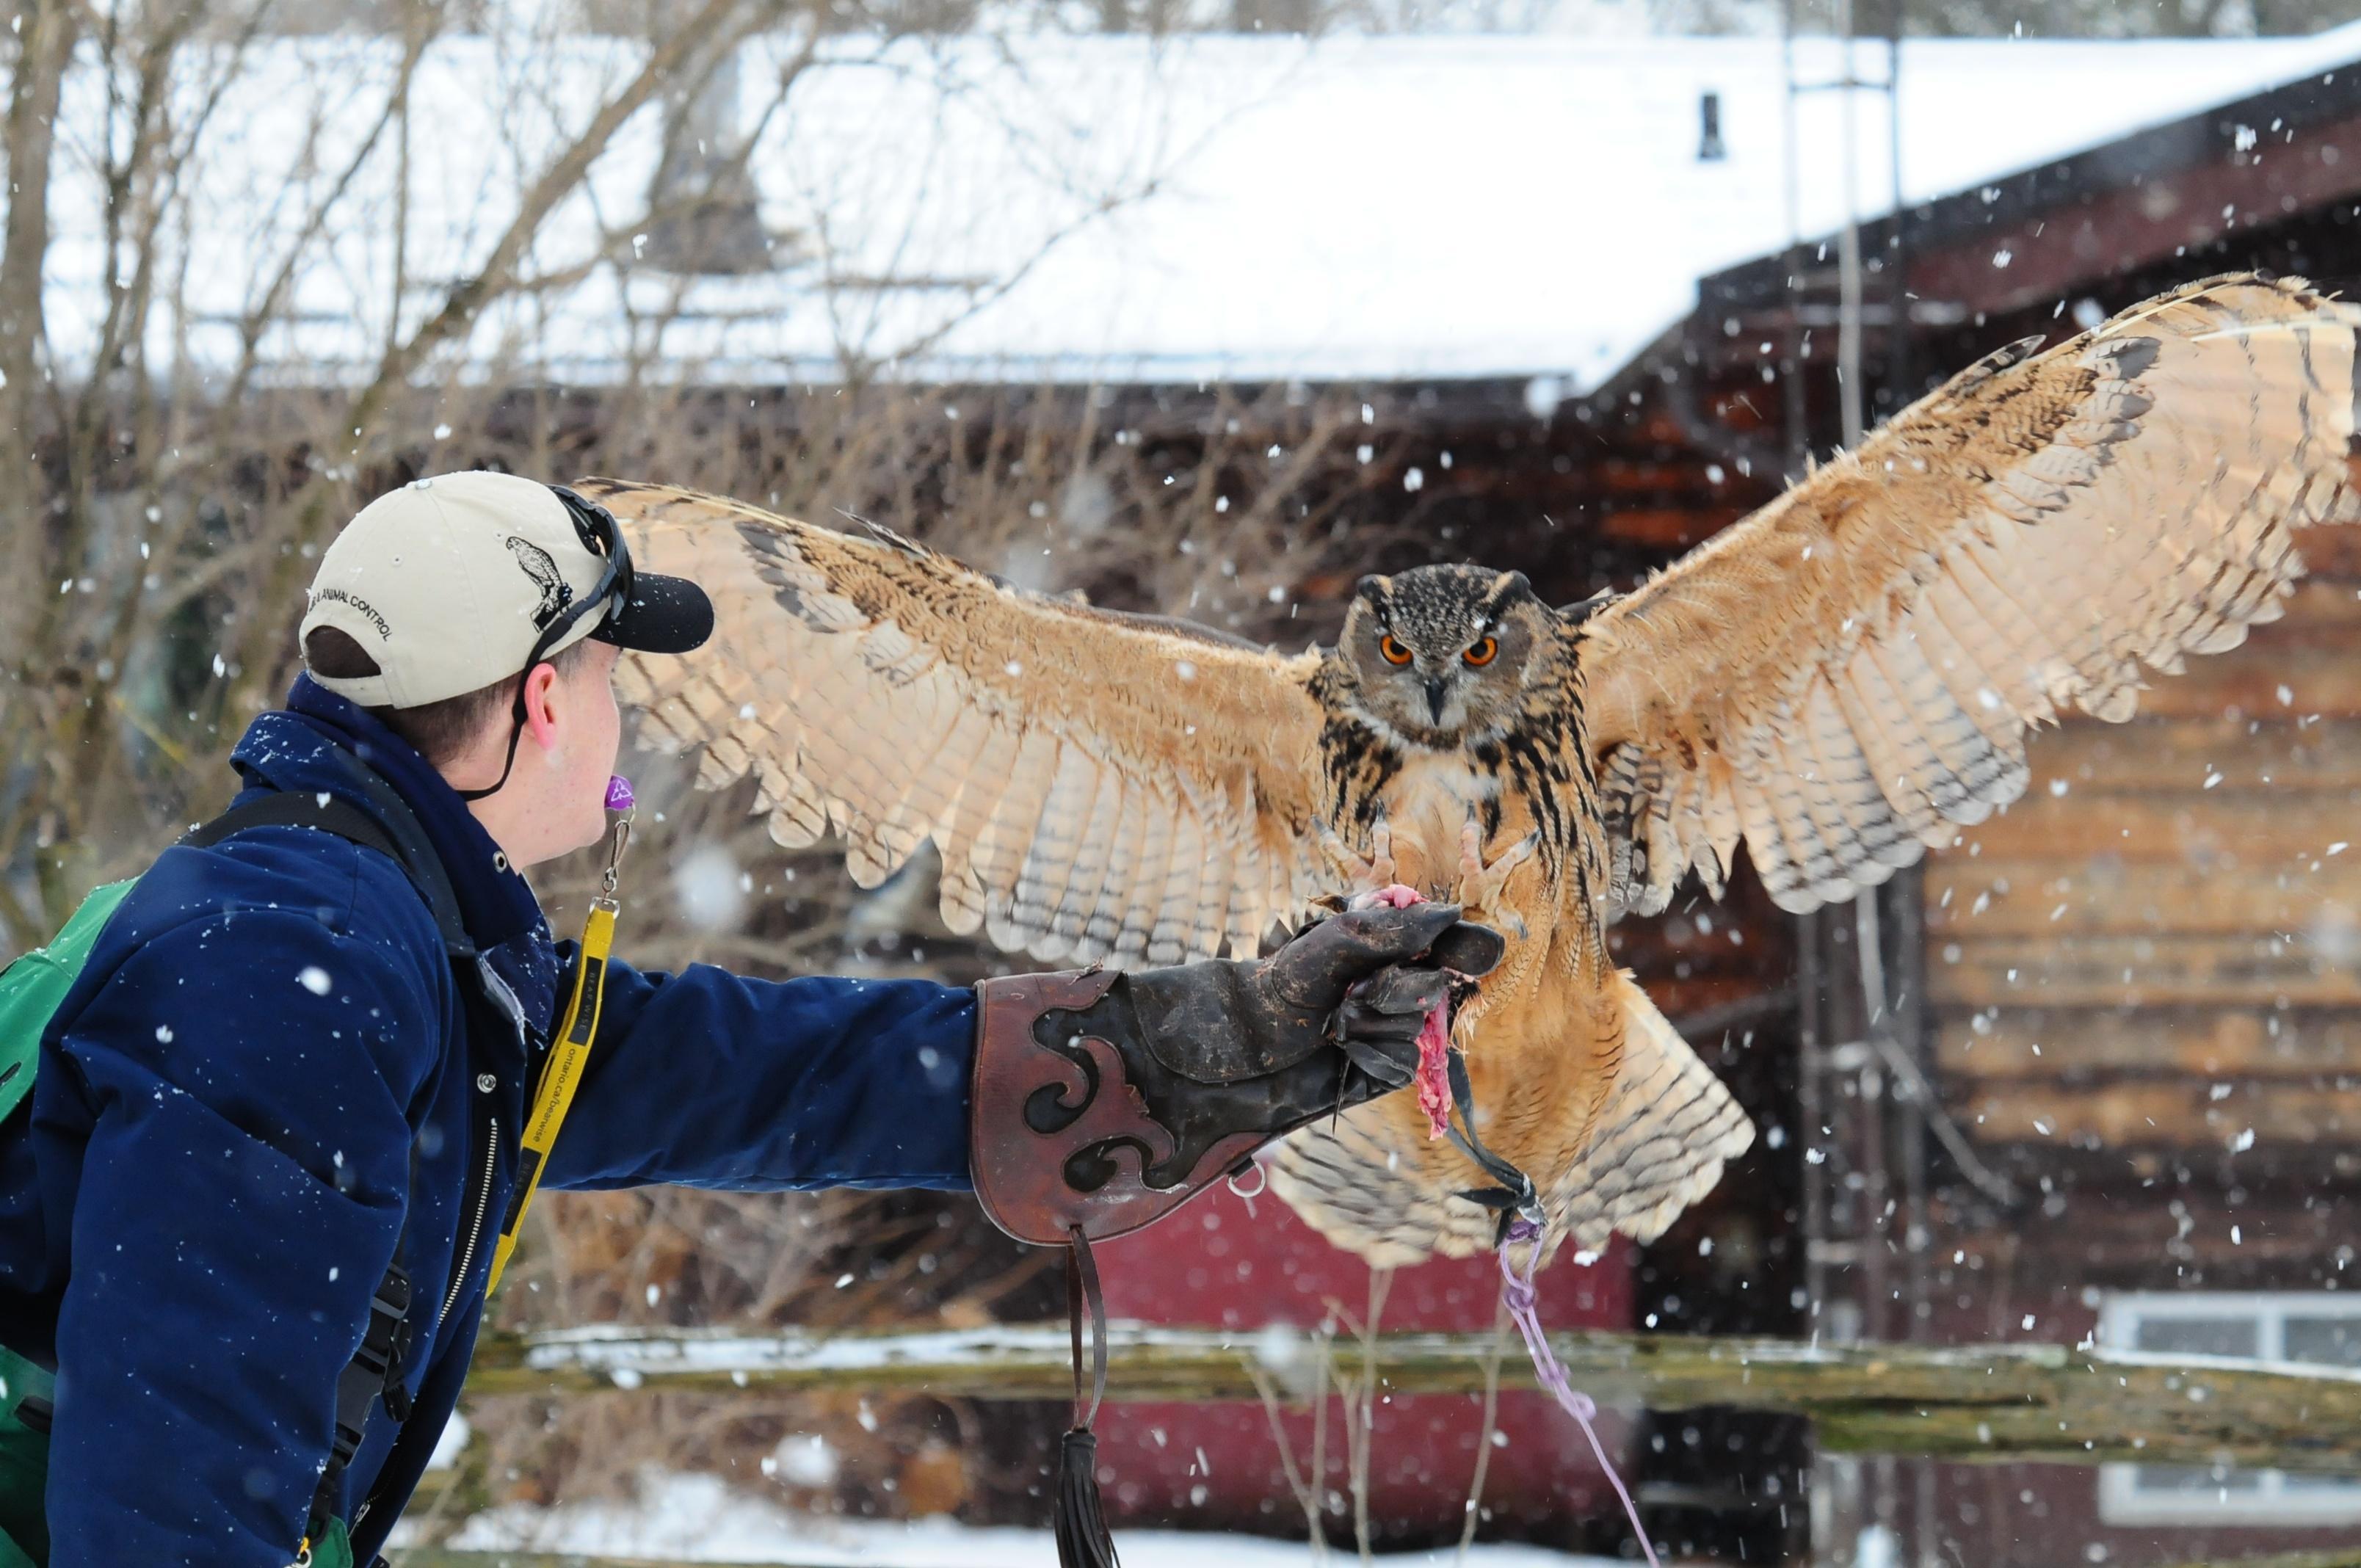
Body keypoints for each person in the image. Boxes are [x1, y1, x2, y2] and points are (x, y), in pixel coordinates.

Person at [0, 471, 1493, 1567]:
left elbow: (745, 1073)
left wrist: (1194, 1046)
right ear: (537, 702)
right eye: (604, 669)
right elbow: (174, 1504)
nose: (620, 711)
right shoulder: (288, 974)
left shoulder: (386, 930)